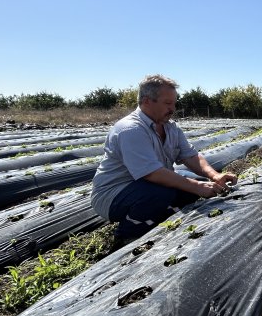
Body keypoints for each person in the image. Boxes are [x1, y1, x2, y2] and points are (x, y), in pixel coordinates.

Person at [91, 74, 237, 240]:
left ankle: (161, 217)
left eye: (174, 103)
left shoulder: (170, 127)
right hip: (114, 193)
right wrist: (197, 186)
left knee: (197, 185)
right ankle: (126, 236)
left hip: (148, 184)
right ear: (147, 101)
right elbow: (152, 173)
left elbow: (191, 156)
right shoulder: (130, 129)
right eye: (167, 103)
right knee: (163, 194)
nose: (173, 109)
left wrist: (214, 175)